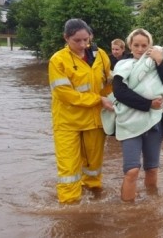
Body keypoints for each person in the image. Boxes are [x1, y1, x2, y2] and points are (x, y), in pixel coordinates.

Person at [102, 28, 163, 202]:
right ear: (129, 46)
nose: (140, 49)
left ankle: (151, 207)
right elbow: (120, 93)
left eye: (144, 45)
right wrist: (148, 104)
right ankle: (128, 212)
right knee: (132, 170)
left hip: (155, 122)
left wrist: (160, 62)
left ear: (150, 46)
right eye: (136, 45)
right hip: (129, 122)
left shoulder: (156, 62)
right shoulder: (122, 66)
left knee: (152, 169)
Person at [48, 18, 114, 204]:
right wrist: (98, 99)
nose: (83, 44)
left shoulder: (100, 55)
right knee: (68, 169)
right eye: (77, 40)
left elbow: (108, 83)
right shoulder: (58, 60)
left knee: (93, 167)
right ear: (66, 38)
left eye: (86, 39)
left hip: (95, 120)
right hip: (68, 123)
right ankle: (69, 208)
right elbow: (64, 94)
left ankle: (94, 197)